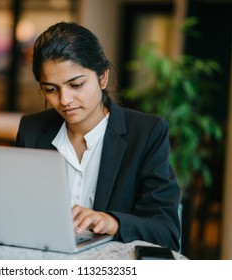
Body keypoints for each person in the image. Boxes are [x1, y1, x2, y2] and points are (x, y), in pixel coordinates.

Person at [15, 22, 182, 251]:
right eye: (51, 89)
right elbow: (17, 208)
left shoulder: (146, 134)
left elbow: (166, 231)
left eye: (76, 85)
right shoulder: (31, 130)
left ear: (102, 77)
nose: (64, 100)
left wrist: (111, 222)